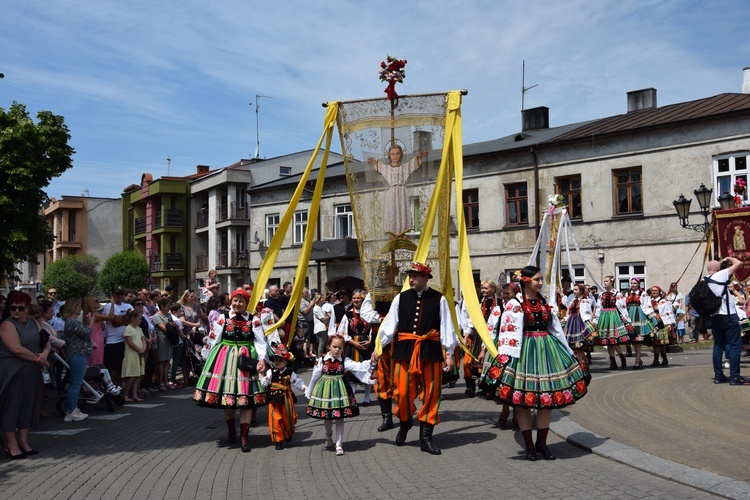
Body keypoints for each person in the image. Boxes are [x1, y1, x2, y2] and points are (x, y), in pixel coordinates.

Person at [493, 266, 588, 461]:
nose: (541, 282)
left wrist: (569, 352)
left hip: (547, 351)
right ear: (526, 281)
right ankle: (529, 446)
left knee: (547, 402)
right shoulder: (515, 304)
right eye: (537, 279)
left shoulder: (546, 303)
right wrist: (504, 359)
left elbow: (556, 330)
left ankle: (542, 444)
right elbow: (507, 333)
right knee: (524, 403)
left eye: (541, 279)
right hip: (524, 353)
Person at [372, 261, 457, 455]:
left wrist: (449, 353)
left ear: (426, 278)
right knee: (401, 393)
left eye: (416, 276)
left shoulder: (439, 299)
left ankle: (425, 438)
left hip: (431, 351)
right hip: (405, 351)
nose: (411, 279)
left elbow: (446, 327)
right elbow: (389, 325)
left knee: (431, 394)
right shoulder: (400, 298)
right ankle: (404, 422)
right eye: (410, 276)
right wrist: (379, 346)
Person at [193, 288, 268, 452]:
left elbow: (261, 341)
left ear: (246, 303)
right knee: (228, 396)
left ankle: (244, 436)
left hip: (247, 360)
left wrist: (262, 359)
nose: (237, 304)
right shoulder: (223, 318)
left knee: (246, 399)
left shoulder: (253, 320)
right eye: (235, 300)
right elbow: (214, 337)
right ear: (231, 301)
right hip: (225, 360)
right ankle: (231, 429)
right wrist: (206, 356)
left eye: (241, 301)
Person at [0, 292, 51, 458]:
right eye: (13, 307)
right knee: (12, 406)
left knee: (28, 405)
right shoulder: (7, 325)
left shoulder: (33, 322)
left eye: (20, 307)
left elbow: (46, 341)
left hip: (32, 371)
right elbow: (16, 349)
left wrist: (44, 353)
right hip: (14, 370)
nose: (16, 311)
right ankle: (11, 445)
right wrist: (39, 359)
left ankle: (23, 441)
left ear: (27, 308)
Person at [306, 334, 374, 456]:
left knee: (339, 417)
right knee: (327, 417)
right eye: (334, 346)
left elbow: (358, 366)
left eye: (340, 348)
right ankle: (328, 436)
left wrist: (370, 361)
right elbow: (315, 376)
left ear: (343, 349)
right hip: (325, 391)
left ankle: (339, 443)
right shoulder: (321, 360)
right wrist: (309, 391)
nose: (337, 350)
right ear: (329, 346)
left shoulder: (344, 361)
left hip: (340, 392)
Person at [706, 257, 750, 385]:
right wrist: (727, 258)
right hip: (727, 316)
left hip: (715, 316)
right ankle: (735, 377)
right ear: (717, 268)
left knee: (718, 346)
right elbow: (739, 263)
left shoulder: (705, 279)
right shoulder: (720, 275)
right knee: (735, 346)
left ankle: (719, 376)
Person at [367, 145, 428, 236]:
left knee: (403, 209)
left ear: (401, 155)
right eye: (393, 154)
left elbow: (413, 163)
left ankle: (404, 231)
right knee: (392, 210)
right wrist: (374, 162)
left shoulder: (404, 167)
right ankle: (393, 232)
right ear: (389, 156)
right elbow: (379, 166)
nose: (395, 156)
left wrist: (419, 157)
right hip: (392, 192)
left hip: (402, 191)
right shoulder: (386, 168)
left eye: (397, 154)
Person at [259, 342, 307, 450]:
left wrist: (305, 388)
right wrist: (263, 377)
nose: (277, 362)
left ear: (286, 362)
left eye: (280, 360)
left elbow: (297, 382)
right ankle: (279, 440)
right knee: (275, 419)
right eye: (276, 359)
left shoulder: (290, 372)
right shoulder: (270, 372)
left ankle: (288, 433)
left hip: (286, 398)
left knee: (288, 418)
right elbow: (263, 384)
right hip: (273, 398)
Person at [338, 289, 374, 405]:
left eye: (358, 298)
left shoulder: (369, 313)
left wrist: (370, 341)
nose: (356, 300)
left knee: (367, 370)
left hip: (366, 345)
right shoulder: (348, 315)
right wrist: (352, 342)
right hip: (353, 347)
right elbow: (342, 332)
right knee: (352, 371)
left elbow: (374, 329)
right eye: (354, 298)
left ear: (363, 299)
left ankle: (367, 397)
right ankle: (352, 397)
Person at [462, 279, 497, 398]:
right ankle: (471, 387)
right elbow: (473, 320)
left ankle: (488, 389)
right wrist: (466, 336)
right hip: (478, 335)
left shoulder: (498, 303)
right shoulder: (480, 303)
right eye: (482, 288)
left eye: (486, 288)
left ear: (493, 289)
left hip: (492, 334)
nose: (483, 290)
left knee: (490, 361)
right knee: (473, 361)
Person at [61, 298, 92, 422]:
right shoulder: (72, 322)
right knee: (76, 383)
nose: (80, 309)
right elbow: (86, 333)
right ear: (73, 308)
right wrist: (91, 322)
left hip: (80, 354)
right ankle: (71, 411)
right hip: (77, 354)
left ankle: (73, 408)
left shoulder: (72, 322)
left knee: (76, 383)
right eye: (78, 306)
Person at [594, 275, 632, 370]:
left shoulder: (617, 294)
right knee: (608, 341)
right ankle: (613, 362)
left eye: (606, 281)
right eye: (604, 281)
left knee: (614, 341)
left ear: (611, 282)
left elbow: (622, 307)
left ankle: (622, 358)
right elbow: (599, 308)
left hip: (613, 317)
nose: (605, 283)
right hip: (604, 317)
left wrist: (627, 320)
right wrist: (595, 320)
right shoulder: (601, 294)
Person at [102, 288, 134, 386]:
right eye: (117, 294)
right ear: (112, 295)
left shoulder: (128, 305)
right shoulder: (109, 306)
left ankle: (122, 388)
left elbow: (134, 319)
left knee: (124, 367)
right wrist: (126, 319)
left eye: (122, 293)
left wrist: (122, 319)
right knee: (114, 368)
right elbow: (115, 322)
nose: (120, 296)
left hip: (126, 341)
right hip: (113, 342)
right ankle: (114, 388)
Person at [563, 283, 597, 370]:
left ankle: (579, 365)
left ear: (581, 291)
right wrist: (566, 319)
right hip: (572, 323)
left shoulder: (584, 300)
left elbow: (586, 313)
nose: (574, 291)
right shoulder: (573, 300)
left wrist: (588, 324)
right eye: (574, 289)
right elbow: (569, 311)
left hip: (580, 323)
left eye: (576, 290)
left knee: (580, 345)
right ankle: (586, 360)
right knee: (574, 346)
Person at [624, 278, 654, 369]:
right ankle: (635, 358)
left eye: (634, 283)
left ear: (638, 284)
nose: (632, 285)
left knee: (637, 339)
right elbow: (624, 305)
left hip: (638, 315)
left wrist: (651, 315)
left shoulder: (643, 294)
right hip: (629, 315)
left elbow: (646, 305)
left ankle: (637, 359)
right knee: (630, 338)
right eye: (631, 283)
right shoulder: (627, 293)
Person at [150, 298, 176, 391]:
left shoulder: (169, 314)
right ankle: (160, 382)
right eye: (167, 305)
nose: (169, 307)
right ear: (162, 306)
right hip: (162, 339)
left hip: (169, 338)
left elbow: (174, 325)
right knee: (161, 361)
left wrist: (172, 326)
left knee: (167, 361)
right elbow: (164, 328)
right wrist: (172, 326)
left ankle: (166, 381)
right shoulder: (157, 316)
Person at [122, 309, 147, 402]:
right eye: (139, 319)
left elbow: (143, 339)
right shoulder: (128, 328)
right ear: (133, 318)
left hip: (139, 355)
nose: (140, 320)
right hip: (131, 355)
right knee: (132, 375)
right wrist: (139, 350)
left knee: (137, 375)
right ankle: (125, 394)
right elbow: (130, 342)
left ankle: (134, 394)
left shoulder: (139, 329)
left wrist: (143, 349)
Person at [298, 287, 316, 358]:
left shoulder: (307, 300)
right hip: (305, 322)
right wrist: (311, 304)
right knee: (305, 338)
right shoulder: (301, 301)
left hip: (310, 321)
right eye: (306, 292)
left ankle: (310, 352)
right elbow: (304, 311)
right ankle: (304, 354)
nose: (308, 294)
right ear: (302, 294)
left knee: (310, 338)